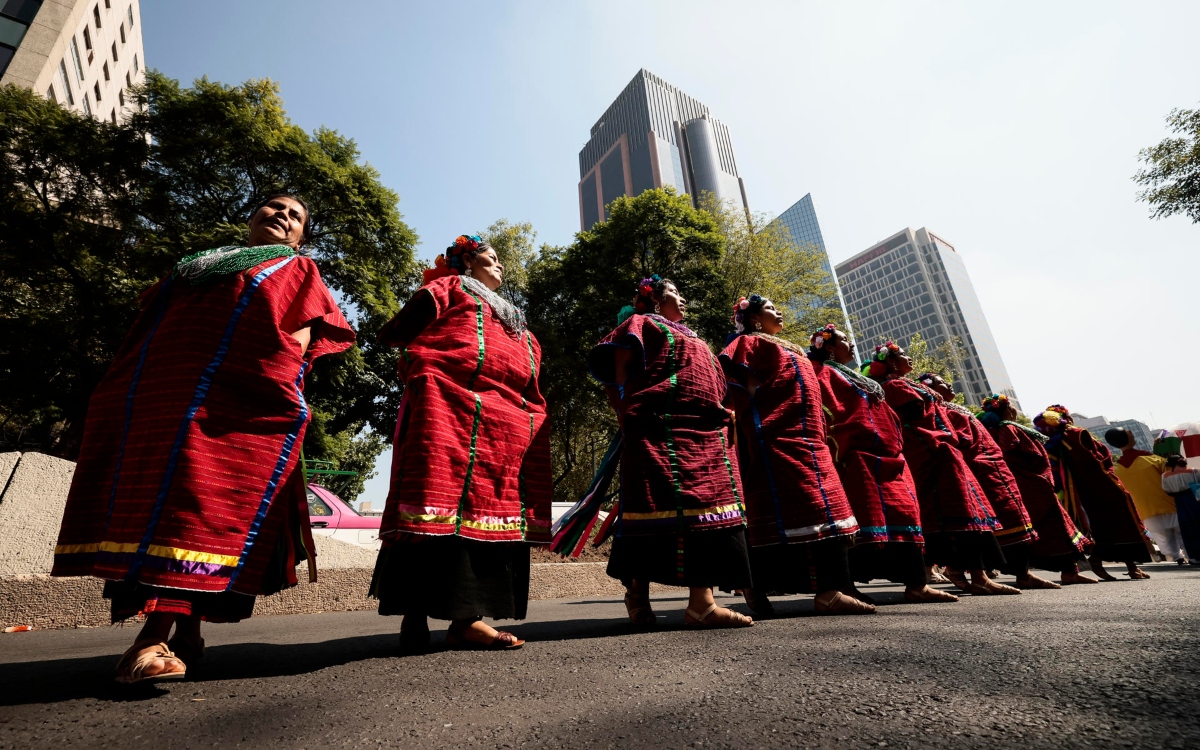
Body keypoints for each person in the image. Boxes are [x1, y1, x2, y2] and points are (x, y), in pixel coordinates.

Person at [51, 194, 356, 683]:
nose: (282, 215)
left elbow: (296, 344)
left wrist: (274, 390)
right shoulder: (196, 266)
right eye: (272, 207)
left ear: (302, 237)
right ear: (249, 218)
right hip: (161, 401)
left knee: (194, 511)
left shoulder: (296, 271)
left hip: (232, 407)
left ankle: (149, 640)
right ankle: (187, 632)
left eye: (295, 215)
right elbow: (149, 330)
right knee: (163, 505)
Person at [370, 235, 552, 652]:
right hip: (447, 405)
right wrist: (423, 367)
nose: (500, 264)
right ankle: (413, 615)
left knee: (489, 510)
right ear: (467, 262)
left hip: (503, 422)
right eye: (491, 257)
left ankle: (466, 621)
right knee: (430, 500)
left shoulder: (516, 319)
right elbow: (401, 329)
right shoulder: (450, 288)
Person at [587, 276, 753, 629]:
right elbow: (618, 376)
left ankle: (701, 603)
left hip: (707, 433)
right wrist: (627, 415)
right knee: (650, 507)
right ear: (656, 301)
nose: (683, 300)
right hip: (655, 428)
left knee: (709, 510)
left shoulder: (697, 339)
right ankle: (637, 592)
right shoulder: (639, 324)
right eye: (676, 294)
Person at [719, 300, 874, 616]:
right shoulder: (747, 344)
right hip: (775, 438)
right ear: (753, 318)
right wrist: (758, 430)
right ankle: (755, 587)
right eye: (770, 308)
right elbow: (744, 390)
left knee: (829, 510)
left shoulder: (785, 347)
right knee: (784, 511)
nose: (779, 312)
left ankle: (830, 591)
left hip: (810, 441)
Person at [807, 326, 958, 604]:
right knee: (859, 516)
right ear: (828, 347)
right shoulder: (821, 372)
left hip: (890, 454)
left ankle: (917, 584)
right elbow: (830, 410)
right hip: (856, 455)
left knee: (906, 511)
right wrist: (849, 438)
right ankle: (846, 586)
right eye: (843, 340)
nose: (851, 345)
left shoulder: (849, 374)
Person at [865, 343, 1018, 595]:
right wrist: (937, 443)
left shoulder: (909, 386)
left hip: (945, 453)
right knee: (952, 513)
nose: (909, 358)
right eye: (903, 355)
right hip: (931, 455)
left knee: (967, 511)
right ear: (891, 362)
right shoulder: (894, 387)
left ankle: (975, 574)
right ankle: (970, 574)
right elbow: (912, 423)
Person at [918, 374, 1057, 590]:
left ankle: (1023, 573)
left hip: (995, 471)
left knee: (1012, 518)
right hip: (976, 471)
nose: (947, 384)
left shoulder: (957, 409)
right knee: (976, 526)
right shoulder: (938, 410)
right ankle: (963, 571)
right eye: (940, 382)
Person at [977, 394, 1095, 584]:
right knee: (1056, 527)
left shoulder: (994, 431)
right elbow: (1027, 455)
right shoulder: (1009, 429)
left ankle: (1061, 571)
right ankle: (1066, 572)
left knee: (1035, 529)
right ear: (1007, 410)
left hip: (1017, 485)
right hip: (1032, 484)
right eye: (1012, 407)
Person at [1035, 407, 1152, 580]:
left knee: (1102, 527)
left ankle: (1125, 566)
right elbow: (1099, 458)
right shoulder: (1077, 434)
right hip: (1103, 485)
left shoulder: (1051, 441)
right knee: (1123, 522)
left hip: (1077, 492)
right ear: (1066, 418)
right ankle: (1116, 564)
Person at [1105, 428, 1185, 563]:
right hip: (1169, 504)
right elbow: (1173, 476)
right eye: (1129, 432)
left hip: (1145, 511)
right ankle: (1192, 556)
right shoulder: (1153, 460)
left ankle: (1177, 557)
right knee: (1182, 533)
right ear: (1129, 437)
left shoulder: (1117, 470)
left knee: (1163, 537)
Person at [1161, 454, 1200, 564]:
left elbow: (1167, 490)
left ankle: (1194, 557)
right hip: (1196, 500)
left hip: (1180, 503)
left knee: (1188, 529)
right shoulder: (1195, 471)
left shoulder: (1165, 476)